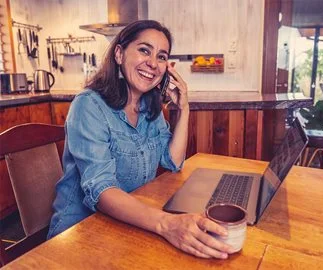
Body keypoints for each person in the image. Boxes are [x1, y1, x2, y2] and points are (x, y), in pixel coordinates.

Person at [47, 20, 235, 259]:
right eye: (144, 50)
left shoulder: (148, 105)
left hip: (128, 225)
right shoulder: (89, 105)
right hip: (79, 234)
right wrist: (167, 224)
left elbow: (172, 162)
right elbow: (102, 191)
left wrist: (184, 108)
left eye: (162, 56)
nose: (153, 64)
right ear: (119, 53)